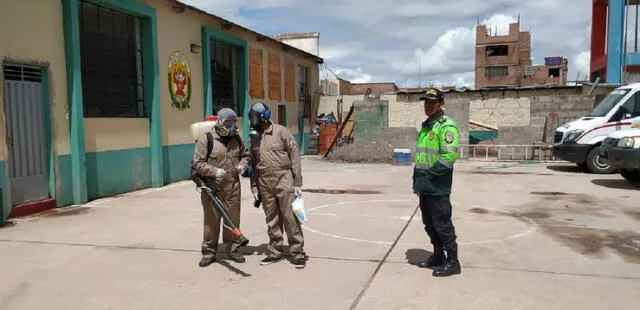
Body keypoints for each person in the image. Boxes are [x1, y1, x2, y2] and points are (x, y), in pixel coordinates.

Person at [247, 102, 306, 269]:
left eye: (255, 117)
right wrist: (254, 187)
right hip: (264, 182)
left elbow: (294, 155)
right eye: (251, 117)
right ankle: (275, 252)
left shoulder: (281, 131)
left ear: (265, 116)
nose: (253, 120)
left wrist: (297, 181)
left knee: (291, 217)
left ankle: (298, 253)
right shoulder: (253, 137)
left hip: (284, 178)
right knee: (272, 219)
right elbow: (252, 163)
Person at [412, 88, 461, 277]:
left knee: (442, 224)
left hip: (438, 185)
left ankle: (453, 262)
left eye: (432, 102)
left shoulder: (446, 126)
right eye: (426, 102)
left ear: (441, 104)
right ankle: (438, 255)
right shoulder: (426, 126)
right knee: (429, 224)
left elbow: (449, 157)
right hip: (425, 186)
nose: (428, 105)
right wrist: (418, 180)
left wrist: (429, 175)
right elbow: (422, 158)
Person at [192, 108, 250, 267]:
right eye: (228, 122)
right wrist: (213, 171)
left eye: (233, 122)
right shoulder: (207, 140)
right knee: (211, 222)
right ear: (220, 122)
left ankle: (233, 249)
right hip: (212, 189)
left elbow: (246, 156)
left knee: (233, 220)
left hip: (232, 187)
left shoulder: (237, 139)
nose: (231, 125)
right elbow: (197, 163)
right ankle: (209, 252)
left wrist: (242, 166)